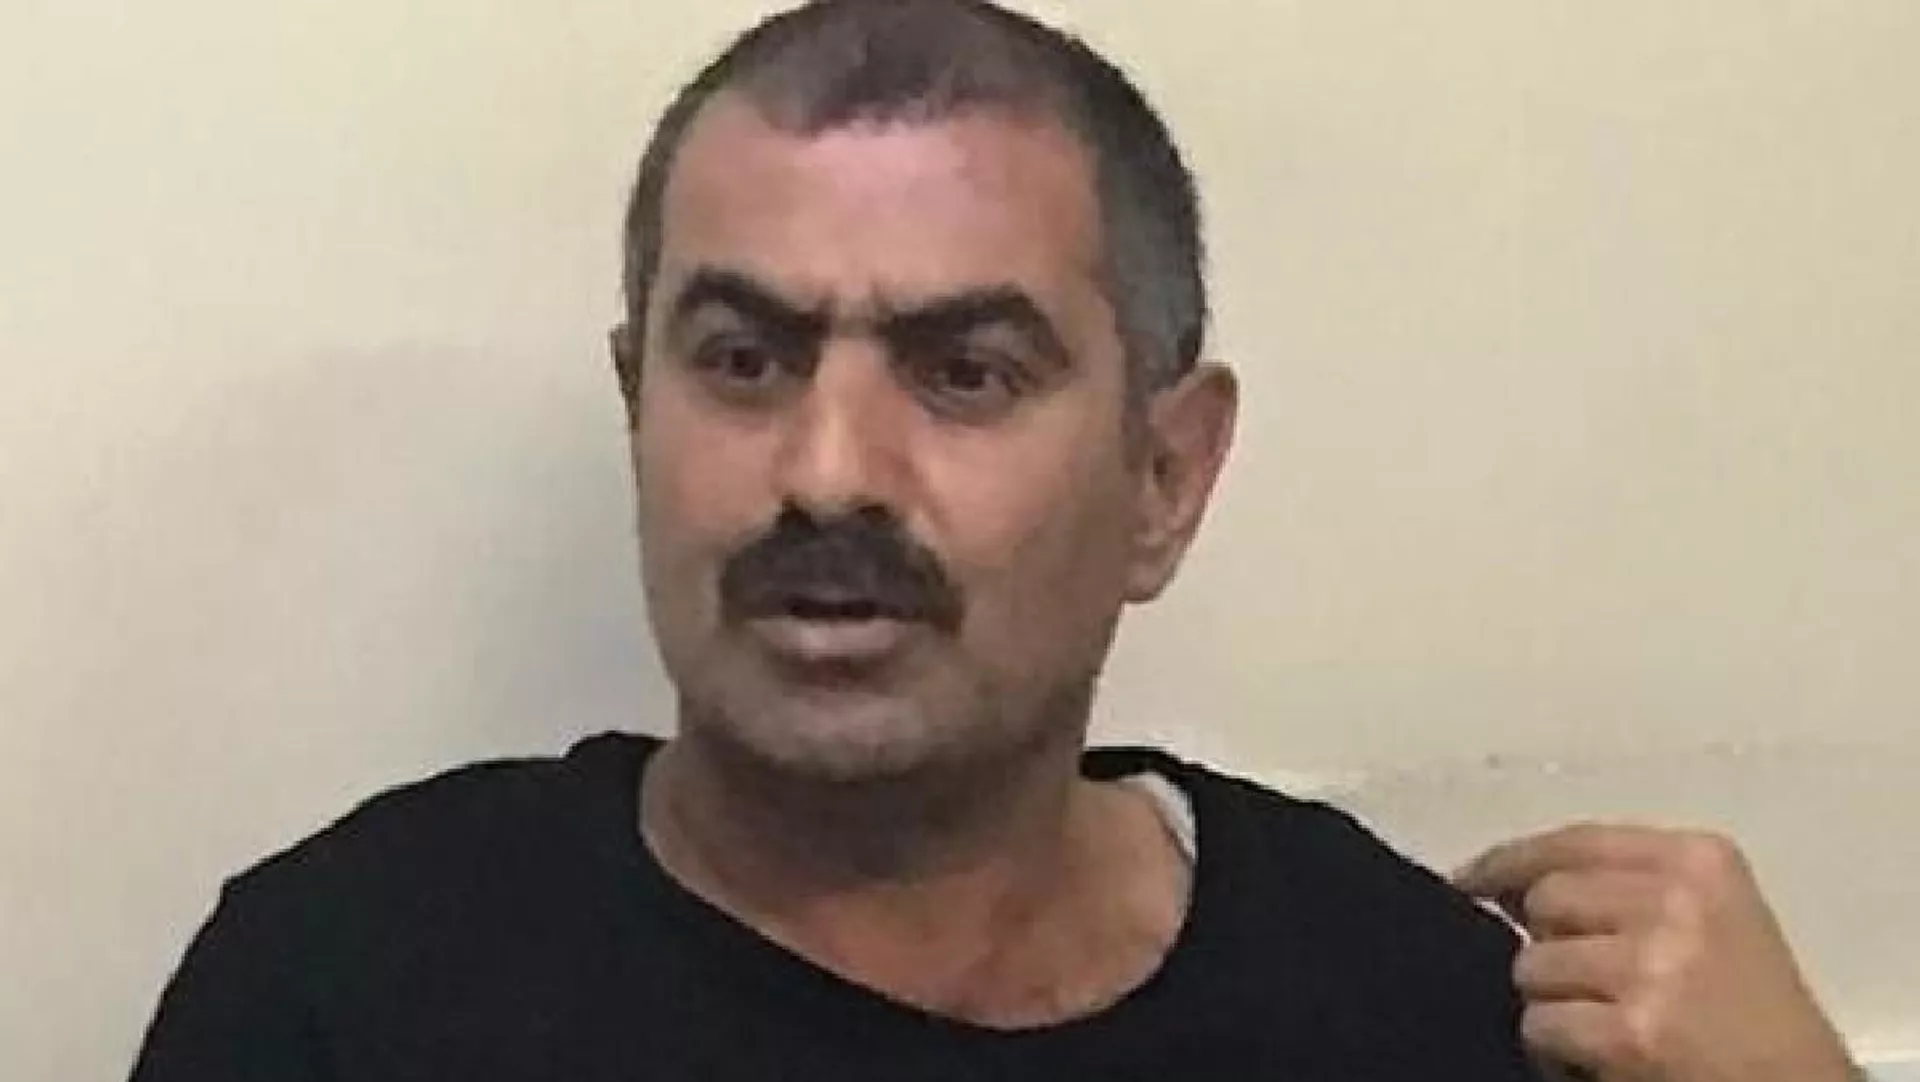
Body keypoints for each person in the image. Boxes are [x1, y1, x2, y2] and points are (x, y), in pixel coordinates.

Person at [130, 2, 1863, 1079]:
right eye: (743, 359)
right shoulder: (345, 992)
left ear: (1164, 475)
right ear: (636, 406)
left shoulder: (1408, 1006)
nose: (828, 470)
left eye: (966, 371)